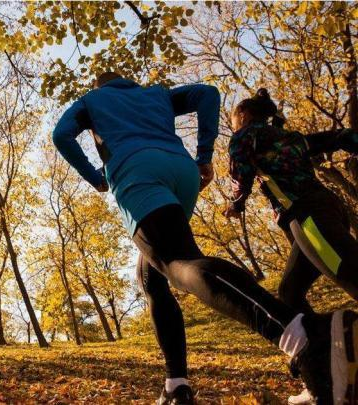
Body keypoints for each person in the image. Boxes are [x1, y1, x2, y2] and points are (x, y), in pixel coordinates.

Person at [52, 71, 358, 405]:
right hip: (181, 172)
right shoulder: (155, 93)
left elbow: (61, 135)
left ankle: (306, 337)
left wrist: (94, 177)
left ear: (98, 86)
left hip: (137, 171)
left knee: (178, 262)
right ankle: (176, 384)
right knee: (152, 276)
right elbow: (207, 94)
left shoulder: (92, 100)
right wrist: (203, 154)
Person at [223, 88, 358, 404]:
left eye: (233, 122)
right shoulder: (289, 137)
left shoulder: (245, 136)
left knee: (351, 273)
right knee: (290, 293)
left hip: (308, 216)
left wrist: (235, 204)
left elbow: (241, 172)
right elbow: (338, 137)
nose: (234, 127)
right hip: (322, 211)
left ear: (244, 116)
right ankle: (323, 368)